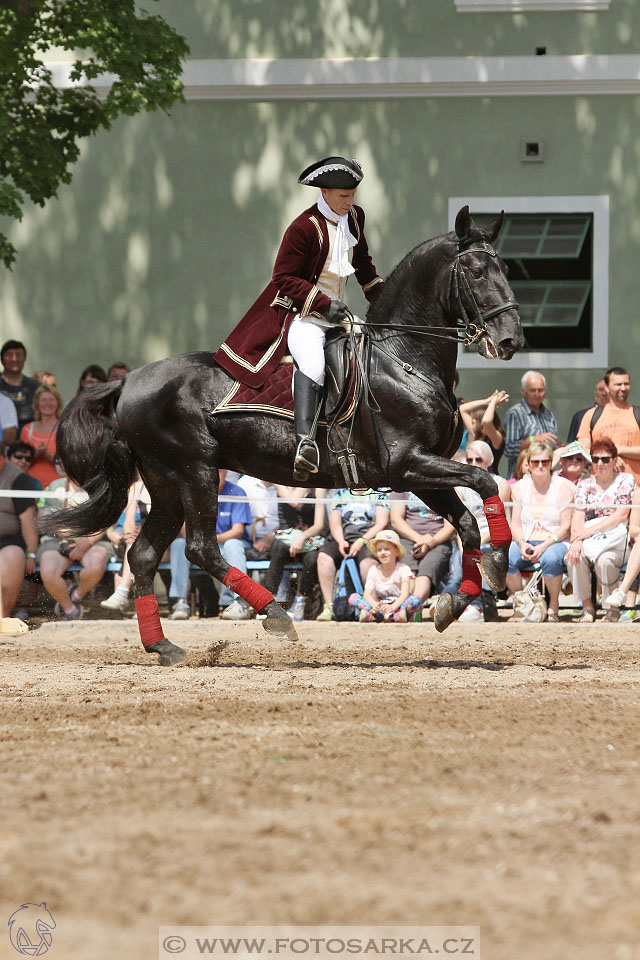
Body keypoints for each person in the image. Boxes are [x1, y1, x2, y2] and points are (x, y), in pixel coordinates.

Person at [214, 156, 384, 480]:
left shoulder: (355, 218)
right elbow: (283, 277)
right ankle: (305, 442)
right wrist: (321, 303)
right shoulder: (303, 227)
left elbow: (362, 263)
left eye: (353, 196)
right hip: (301, 314)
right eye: (343, 196)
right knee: (313, 363)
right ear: (324, 191)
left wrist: (383, 296)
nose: (350, 202)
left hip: (339, 313)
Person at [565, 437, 635, 622]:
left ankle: (611, 608)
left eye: (605, 459)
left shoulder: (625, 480)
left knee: (605, 561)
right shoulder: (585, 484)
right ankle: (587, 606)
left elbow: (620, 516)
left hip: (616, 539)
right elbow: (578, 516)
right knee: (573, 556)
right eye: (595, 459)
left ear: (614, 460)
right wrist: (577, 540)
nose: (600, 464)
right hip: (589, 538)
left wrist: (587, 532)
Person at [37, 458, 114, 620]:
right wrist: (76, 537)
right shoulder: (54, 487)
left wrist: (87, 541)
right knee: (48, 570)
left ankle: (76, 596)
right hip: (57, 540)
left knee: (96, 563)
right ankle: (70, 610)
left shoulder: (100, 487)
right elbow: (46, 519)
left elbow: (106, 520)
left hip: (93, 539)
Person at [506, 442, 574, 622]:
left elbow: (565, 526)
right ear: (528, 464)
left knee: (550, 558)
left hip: (555, 541)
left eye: (545, 462)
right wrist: (521, 543)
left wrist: (543, 546)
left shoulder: (563, 486)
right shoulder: (520, 488)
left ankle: (554, 605)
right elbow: (515, 523)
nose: (541, 466)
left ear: (551, 463)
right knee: (504, 557)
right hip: (526, 540)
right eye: (535, 462)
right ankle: (522, 603)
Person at [454, 440, 510, 622]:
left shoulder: (500, 484)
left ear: (489, 460)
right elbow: (460, 519)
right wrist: (462, 542)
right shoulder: (459, 487)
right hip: (468, 536)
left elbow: (498, 522)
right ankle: (469, 605)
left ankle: (480, 606)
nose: (473, 464)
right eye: (469, 460)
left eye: (478, 459)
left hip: (492, 538)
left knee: (484, 557)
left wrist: (478, 541)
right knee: (458, 559)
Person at [316, 488, 390, 621]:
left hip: (369, 538)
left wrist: (362, 541)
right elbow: (335, 524)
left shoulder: (379, 493)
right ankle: (329, 606)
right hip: (344, 538)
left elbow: (381, 523)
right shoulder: (340, 493)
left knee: (368, 563)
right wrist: (340, 541)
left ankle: (372, 606)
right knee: (324, 557)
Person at [263, 486, 328, 621]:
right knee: (279, 548)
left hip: (309, 537)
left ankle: (300, 602)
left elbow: (319, 525)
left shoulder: (318, 489)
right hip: (286, 536)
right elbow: (294, 501)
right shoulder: (280, 482)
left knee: (313, 558)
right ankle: (267, 601)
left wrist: (302, 537)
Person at [389, 491, 455, 613]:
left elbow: (450, 526)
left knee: (426, 573)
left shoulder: (445, 485)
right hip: (408, 539)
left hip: (438, 540)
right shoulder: (401, 485)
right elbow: (396, 520)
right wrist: (420, 539)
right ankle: (402, 608)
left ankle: (410, 608)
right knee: (408, 573)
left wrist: (430, 542)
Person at [576, 367, 640, 483]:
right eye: (618, 384)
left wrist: (619, 450)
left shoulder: (637, 414)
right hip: (599, 490)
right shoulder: (592, 415)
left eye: (626, 384)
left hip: (635, 489)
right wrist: (609, 459)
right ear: (607, 387)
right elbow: (582, 449)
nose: (623, 388)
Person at [348, 530, 422, 623]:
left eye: (387, 549)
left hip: (398, 605)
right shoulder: (373, 570)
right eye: (379, 550)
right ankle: (376, 614)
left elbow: (405, 593)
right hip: (380, 606)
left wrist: (393, 607)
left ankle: (396, 615)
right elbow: (367, 593)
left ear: (396, 551)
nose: (383, 552)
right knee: (353, 598)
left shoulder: (403, 569)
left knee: (416, 599)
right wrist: (374, 604)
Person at [0, 449, 38, 617]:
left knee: (14, 555)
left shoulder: (18, 478)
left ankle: (4, 615)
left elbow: (28, 521)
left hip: (9, 537)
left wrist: (31, 553)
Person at [503, 371, 558, 478]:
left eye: (540, 390)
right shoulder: (515, 413)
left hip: (546, 479)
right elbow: (509, 449)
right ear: (523, 391)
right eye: (533, 390)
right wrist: (533, 440)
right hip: (521, 478)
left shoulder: (549, 415)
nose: (537, 394)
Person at [216, 469, 253, 620]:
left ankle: (240, 601)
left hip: (231, 543)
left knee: (232, 545)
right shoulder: (196, 491)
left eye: (217, 471)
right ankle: (179, 602)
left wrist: (209, 541)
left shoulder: (236, 492)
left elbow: (237, 531)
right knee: (180, 544)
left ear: (224, 472)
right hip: (209, 545)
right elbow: (186, 533)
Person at [20, 385, 63, 489]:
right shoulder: (27, 429)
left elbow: (71, 462)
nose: (48, 404)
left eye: (52, 400)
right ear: (37, 404)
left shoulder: (64, 428)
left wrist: (48, 455)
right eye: (43, 400)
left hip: (58, 487)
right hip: (30, 486)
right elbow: (18, 462)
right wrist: (35, 454)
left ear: (58, 403)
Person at [459, 389, 509, 475]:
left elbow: (486, 422)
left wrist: (493, 403)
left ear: (480, 423)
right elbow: (462, 409)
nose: (471, 424)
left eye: (474, 422)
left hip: (490, 480)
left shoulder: (496, 438)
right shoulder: (476, 434)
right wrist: (487, 401)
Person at [0, 340, 40, 432]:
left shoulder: (35, 387)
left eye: (18, 355)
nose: (14, 359)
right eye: (9, 355)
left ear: (24, 359)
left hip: (28, 441)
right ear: (2, 359)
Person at [236, 475, 280, 555]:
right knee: (232, 545)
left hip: (280, 540)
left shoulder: (287, 485)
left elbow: (292, 519)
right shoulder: (244, 482)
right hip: (247, 540)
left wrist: (270, 537)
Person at [566, 378, 608, 444]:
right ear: (595, 392)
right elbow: (572, 445)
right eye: (601, 389)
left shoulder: (622, 415)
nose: (604, 393)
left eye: (607, 390)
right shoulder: (581, 416)